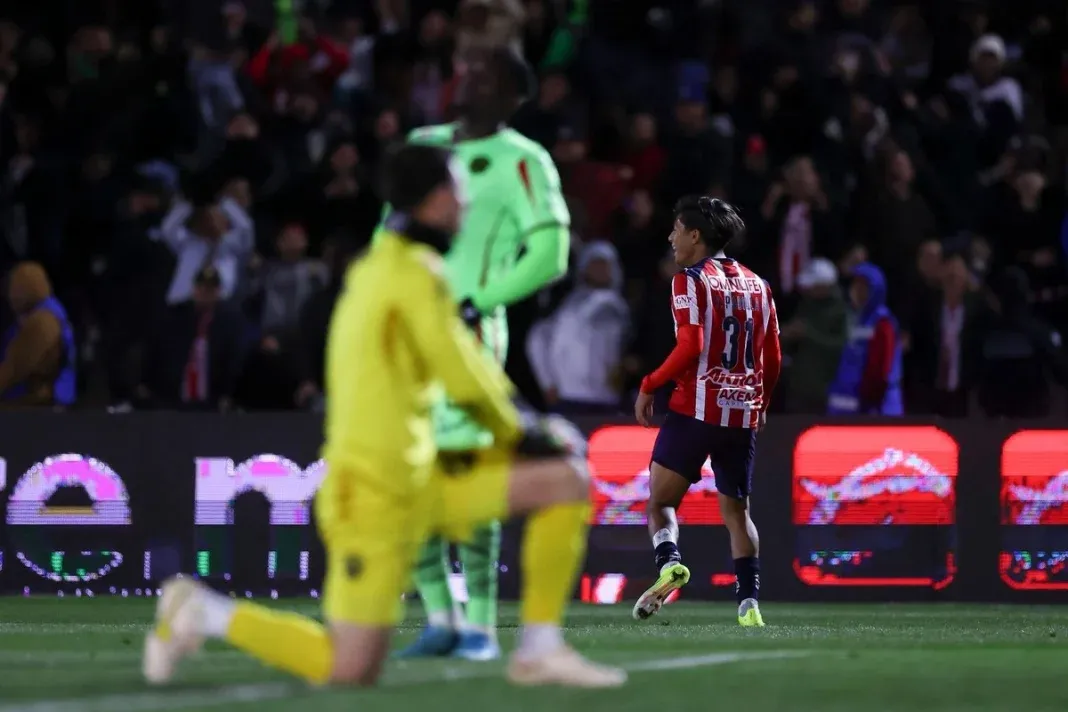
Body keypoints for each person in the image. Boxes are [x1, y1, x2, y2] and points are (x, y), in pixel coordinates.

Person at [142, 143, 625, 689]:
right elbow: (461, 369)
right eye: (461, 192)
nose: (466, 204)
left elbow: (460, 365)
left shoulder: (387, 265)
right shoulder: (408, 274)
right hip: (371, 490)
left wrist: (520, 433)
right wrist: (521, 432)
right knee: (349, 668)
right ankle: (202, 611)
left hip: (419, 474)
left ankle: (539, 648)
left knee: (563, 482)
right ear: (439, 201)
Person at [384, 44, 570, 661]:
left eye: (486, 74)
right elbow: (390, 229)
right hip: (407, 332)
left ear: (513, 97)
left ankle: (482, 627)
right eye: (468, 67)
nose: (468, 76)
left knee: (470, 474)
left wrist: (481, 300)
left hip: (469, 334)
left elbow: (551, 252)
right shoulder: (423, 143)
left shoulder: (525, 161)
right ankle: (440, 617)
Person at [631, 197, 781, 627]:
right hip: (742, 415)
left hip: (696, 410)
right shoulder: (758, 284)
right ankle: (749, 605)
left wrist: (649, 383)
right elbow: (772, 354)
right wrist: (762, 402)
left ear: (695, 235)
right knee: (738, 514)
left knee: (660, 503)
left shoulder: (689, 281)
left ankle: (669, 563)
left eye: (676, 229)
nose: (670, 237)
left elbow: (691, 345)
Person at [827, 262, 905, 416]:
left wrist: (868, 402)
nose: (857, 290)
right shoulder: (854, 319)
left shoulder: (882, 323)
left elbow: (881, 370)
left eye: (863, 285)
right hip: (850, 409)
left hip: (877, 409)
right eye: (856, 284)